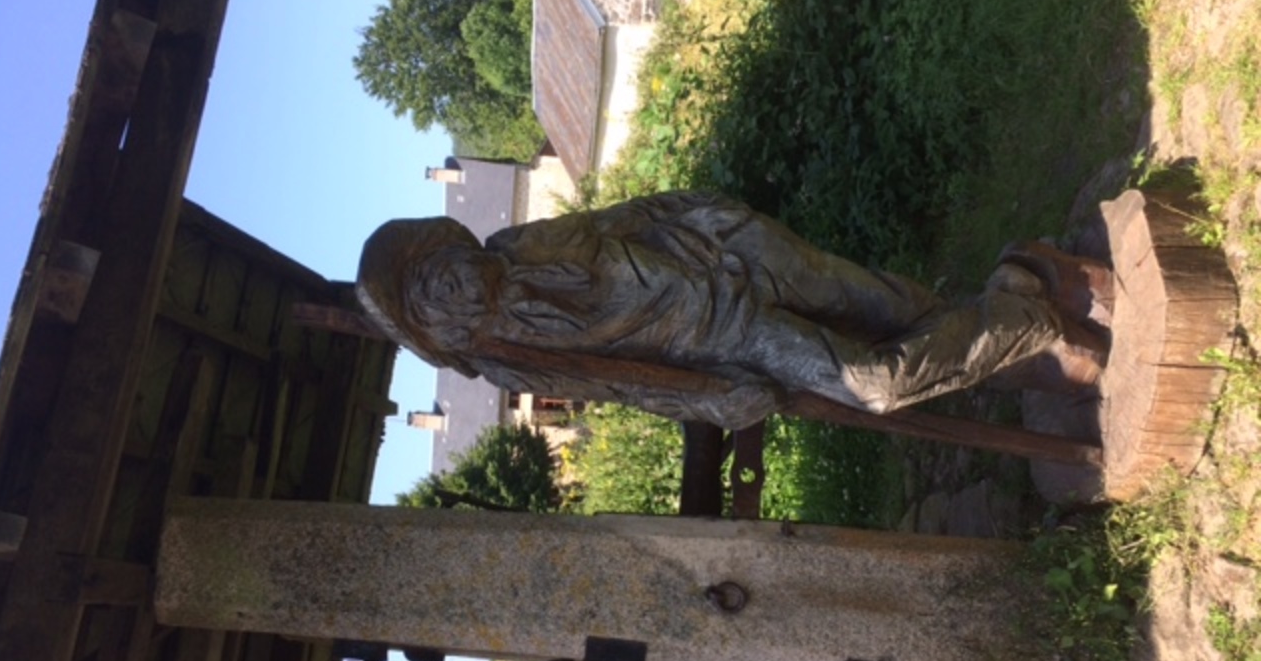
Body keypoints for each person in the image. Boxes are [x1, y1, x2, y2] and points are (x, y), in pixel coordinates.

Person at [356, 191, 1104, 430]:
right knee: (874, 384)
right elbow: (627, 385)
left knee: (892, 306)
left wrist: (719, 216)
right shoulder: (515, 359)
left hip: (735, 254)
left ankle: (1022, 345)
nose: (449, 283)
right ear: (445, 329)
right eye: (430, 298)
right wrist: (714, 403)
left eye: (435, 268)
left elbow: (638, 215)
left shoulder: (523, 242)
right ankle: (1021, 311)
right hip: (732, 333)